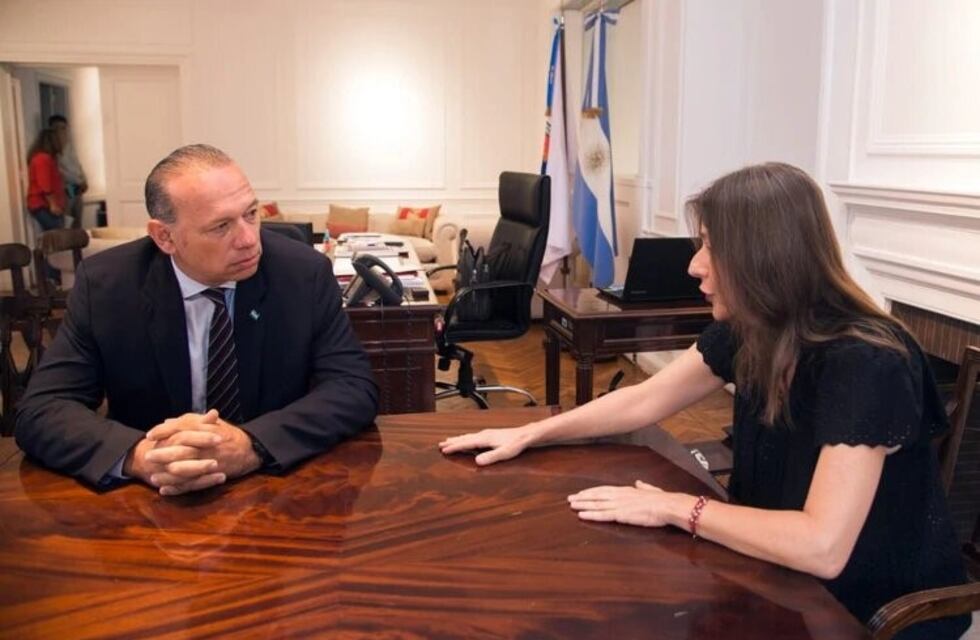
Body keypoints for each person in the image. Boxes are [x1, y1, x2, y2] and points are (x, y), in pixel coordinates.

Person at [440, 162, 970, 638]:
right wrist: (531, 432)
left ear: (766, 258)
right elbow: (643, 401)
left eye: (712, 246)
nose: (695, 266)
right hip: (778, 574)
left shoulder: (864, 360)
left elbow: (822, 547)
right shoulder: (754, 327)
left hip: (865, 606)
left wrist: (675, 508)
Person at [16, 144, 379, 496]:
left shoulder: (303, 273)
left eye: (251, 214)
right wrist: (139, 456)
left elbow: (352, 388)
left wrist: (251, 444)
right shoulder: (107, 285)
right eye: (221, 227)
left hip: (274, 491)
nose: (249, 240)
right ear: (164, 237)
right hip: (149, 500)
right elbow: (42, 410)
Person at [49, 114, 88, 225]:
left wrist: (84, 179)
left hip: (78, 188)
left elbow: (77, 165)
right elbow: (60, 171)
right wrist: (78, 181)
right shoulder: (53, 149)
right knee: (68, 220)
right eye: (58, 128)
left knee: (78, 219)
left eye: (64, 128)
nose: (62, 131)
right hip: (67, 188)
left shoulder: (69, 146)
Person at [26, 127, 66, 232]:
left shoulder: (46, 159)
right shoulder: (43, 159)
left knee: (53, 235)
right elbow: (45, 185)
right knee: (57, 234)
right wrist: (53, 204)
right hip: (42, 205)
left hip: (45, 204)